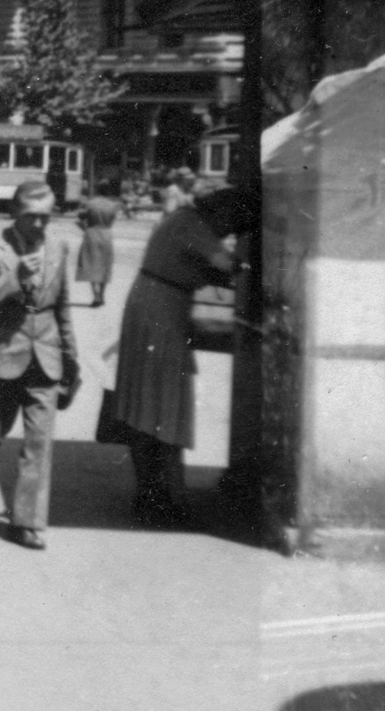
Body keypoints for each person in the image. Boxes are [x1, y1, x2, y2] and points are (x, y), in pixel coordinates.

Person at [113, 186, 256, 529]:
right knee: (166, 407)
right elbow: (228, 265)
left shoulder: (180, 219)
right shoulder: (194, 225)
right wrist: (246, 259)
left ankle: (150, 492)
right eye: (231, 225)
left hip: (152, 304)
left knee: (145, 407)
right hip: (161, 311)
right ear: (222, 213)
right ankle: (168, 498)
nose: (228, 233)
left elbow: (198, 265)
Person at [0, 180, 81, 551]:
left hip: (47, 358)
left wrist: (72, 361)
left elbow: (64, 308)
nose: (40, 225)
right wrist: (13, 278)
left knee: (39, 444)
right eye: (31, 218)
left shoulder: (58, 247)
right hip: (0, 357)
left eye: (46, 217)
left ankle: (27, 522)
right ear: (14, 214)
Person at [75, 183, 122, 307]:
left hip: (91, 234)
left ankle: (95, 296)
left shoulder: (90, 203)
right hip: (106, 235)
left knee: (91, 264)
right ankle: (102, 295)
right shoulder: (112, 205)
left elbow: (80, 218)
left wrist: (84, 228)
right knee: (104, 266)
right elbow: (111, 221)